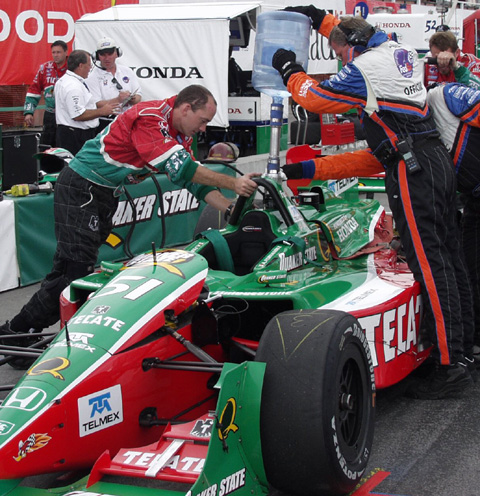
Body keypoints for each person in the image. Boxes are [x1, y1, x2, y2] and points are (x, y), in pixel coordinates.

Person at [273, 7, 475, 399]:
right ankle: (462, 353)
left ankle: (450, 370)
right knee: (448, 260)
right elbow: (372, 155)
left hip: (413, 167)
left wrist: (288, 71)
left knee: (431, 266)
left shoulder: (364, 66)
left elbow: (314, 99)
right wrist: (319, 17)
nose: (340, 61)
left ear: (350, 49)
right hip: (430, 162)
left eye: (339, 53)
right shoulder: (395, 50)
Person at [0, 85, 258, 368]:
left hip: (101, 192)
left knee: (67, 272)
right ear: (186, 109)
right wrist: (234, 183)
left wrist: (231, 208)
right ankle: (26, 335)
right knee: (75, 274)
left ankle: (21, 333)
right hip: (81, 186)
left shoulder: (177, 133)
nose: (204, 128)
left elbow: (191, 182)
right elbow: (185, 169)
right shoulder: (150, 118)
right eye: (203, 120)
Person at [54, 50, 118, 155]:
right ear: (80, 66)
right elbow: (78, 115)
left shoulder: (64, 80)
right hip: (75, 135)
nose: (90, 69)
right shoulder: (73, 86)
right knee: (78, 167)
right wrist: (102, 111)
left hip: (70, 132)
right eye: (89, 65)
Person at [86, 37, 142, 133]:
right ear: (97, 56)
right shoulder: (92, 77)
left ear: (117, 53)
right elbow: (95, 103)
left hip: (128, 120)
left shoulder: (127, 71)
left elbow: (139, 96)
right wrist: (118, 100)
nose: (107, 58)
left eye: (110, 54)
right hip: (106, 122)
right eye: (103, 55)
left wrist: (131, 98)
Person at [23, 40, 68, 147]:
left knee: (65, 145)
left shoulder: (73, 67)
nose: (56, 55)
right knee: (47, 146)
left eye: (59, 52)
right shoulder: (45, 68)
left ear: (66, 52)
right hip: (50, 115)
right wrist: (29, 112)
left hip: (68, 115)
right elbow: (34, 90)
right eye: (54, 52)